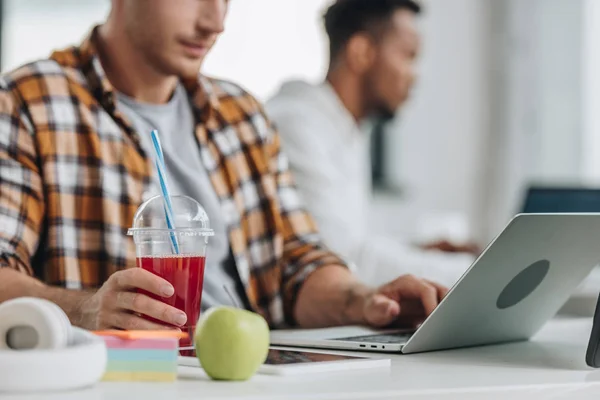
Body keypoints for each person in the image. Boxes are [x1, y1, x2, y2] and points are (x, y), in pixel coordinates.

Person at [0, 0, 447, 332]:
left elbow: (297, 265)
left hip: (252, 375)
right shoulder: (28, 102)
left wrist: (365, 299)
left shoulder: (242, 115)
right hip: (131, 380)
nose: (215, 21)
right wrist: (86, 309)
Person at [265, 0, 478, 288]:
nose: (415, 76)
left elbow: (354, 241)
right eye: (408, 55)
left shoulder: (344, 127)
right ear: (361, 52)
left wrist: (419, 250)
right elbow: (340, 260)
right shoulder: (296, 125)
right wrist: (478, 270)